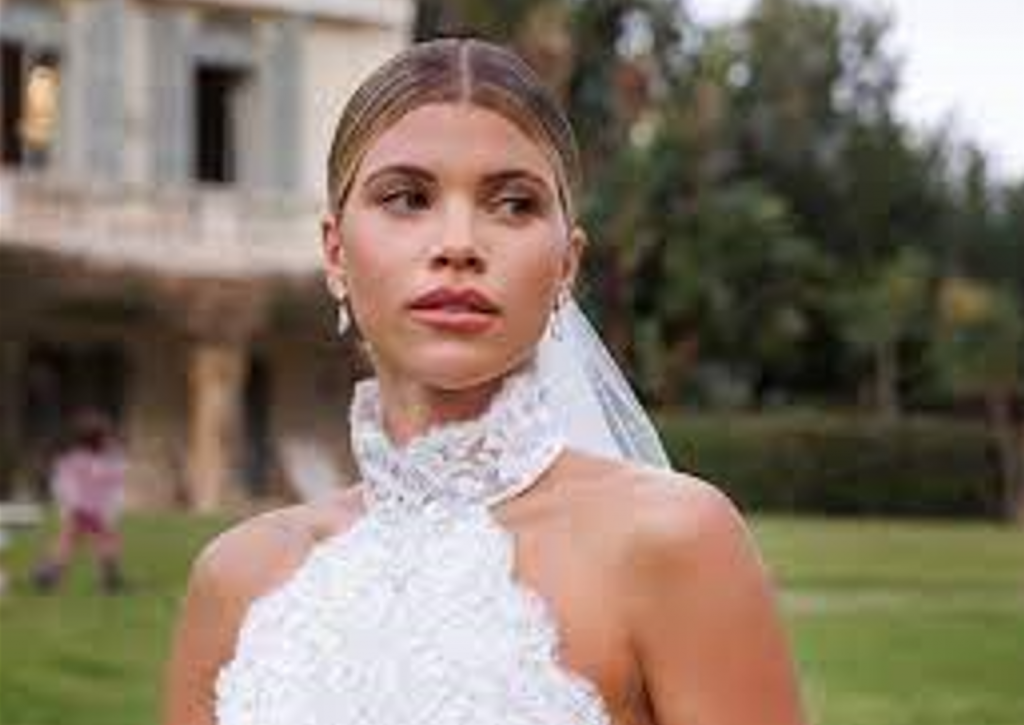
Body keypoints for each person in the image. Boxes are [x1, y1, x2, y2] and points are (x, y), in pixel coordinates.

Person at [163, 38, 807, 725]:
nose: (459, 244)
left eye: (514, 204)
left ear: (567, 264)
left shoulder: (676, 541)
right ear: (334, 253)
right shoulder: (233, 581)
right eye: (408, 198)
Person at [32, 410, 128, 594]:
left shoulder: (73, 459)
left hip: (80, 509)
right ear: (100, 440)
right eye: (107, 437)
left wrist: (70, 504)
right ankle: (111, 577)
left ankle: (49, 573)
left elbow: (61, 482)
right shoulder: (105, 461)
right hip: (94, 511)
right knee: (105, 540)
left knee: (68, 540)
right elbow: (118, 476)